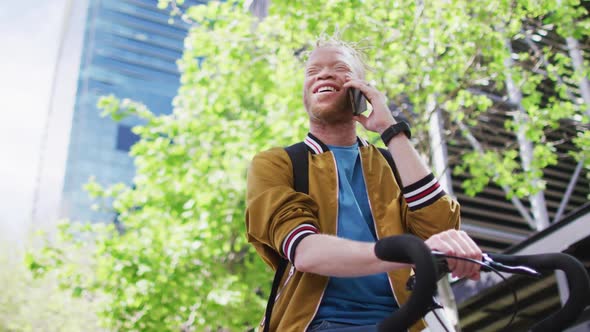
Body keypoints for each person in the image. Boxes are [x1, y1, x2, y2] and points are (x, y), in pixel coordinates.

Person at [245, 36, 482, 332]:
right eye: (312, 71)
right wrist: (408, 252)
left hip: (408, 322)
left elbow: (441, 231)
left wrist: (390, 129)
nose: (324, 74)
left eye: (340, 68)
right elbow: (305, 251)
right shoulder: (277, 164)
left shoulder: (394, 162)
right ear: (305, 92)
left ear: (363, 90)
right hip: (318, 325)